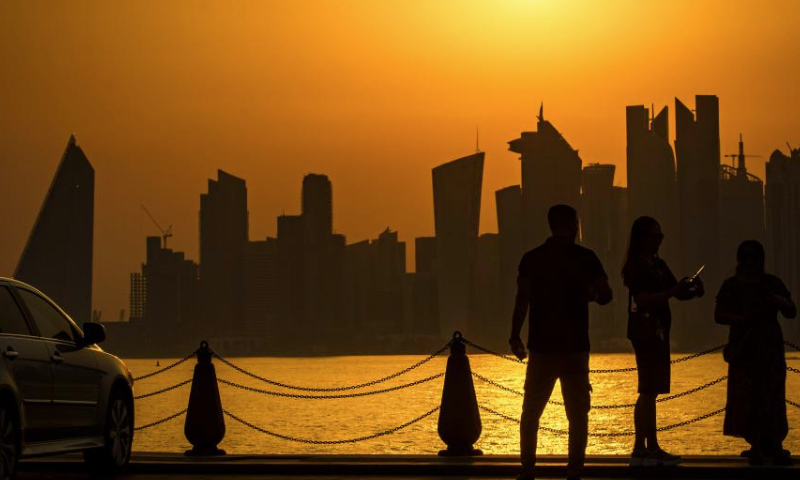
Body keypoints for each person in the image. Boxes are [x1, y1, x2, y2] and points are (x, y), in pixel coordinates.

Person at [509, 204, 612, 480]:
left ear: (550, 224)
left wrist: (514, 335)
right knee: (578, 413)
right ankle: (575, 470)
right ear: (572, 225)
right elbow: (606, 295)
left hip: (541, 346)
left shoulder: (531, 259)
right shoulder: (586, 257)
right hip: (575, 347)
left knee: (531, 412)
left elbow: (522, 299)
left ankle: (528, 469)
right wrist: (589, 292)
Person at [621, 216, 703, 467]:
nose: (659, 241)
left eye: (661, 236)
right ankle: (650, 446)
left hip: (659, 330)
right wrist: (676, 291)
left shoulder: (658, 264)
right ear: (642, 238)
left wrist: (692, 289)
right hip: (645, 331)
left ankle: (641, 447)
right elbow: (645, 299)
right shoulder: (636, 266)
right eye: (655, 236)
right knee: (648, 389)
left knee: (649, 390)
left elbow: (675, 292)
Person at [715, 240, 795, 466]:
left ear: (761, 260)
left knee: (772, 396)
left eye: (755, 257)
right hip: (744, 349)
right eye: (746, 257)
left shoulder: (772, 283)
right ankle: (757, 445)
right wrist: (742, 319)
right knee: (746, 397)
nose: (751, 262)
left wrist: (779, 300)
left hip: (769, 348)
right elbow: (718, 315)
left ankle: (775, 445)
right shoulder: (731, 286)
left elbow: (791, 311)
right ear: (740, 260)